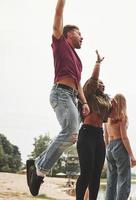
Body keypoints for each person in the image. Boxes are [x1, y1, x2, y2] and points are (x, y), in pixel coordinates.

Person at [26, 0, 89, 196]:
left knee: (72, 136)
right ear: (69, 34)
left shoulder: (78, 61)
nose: (82, 37)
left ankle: (37, 165)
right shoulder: (60, 43)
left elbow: (78, 84)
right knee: (70, 131)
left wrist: (85, 102)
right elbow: (57, 15)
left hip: (72, 97)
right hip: (60, 93)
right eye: (79, 33)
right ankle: (39, 170)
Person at [76, 50, 112, 200]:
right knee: (86, 171)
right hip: (87, 133)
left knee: (96, 174)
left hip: (99, 136)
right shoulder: (88, 94)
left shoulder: (105, 100)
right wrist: (98, 63)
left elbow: (110, 115)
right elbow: (93, 79)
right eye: (100, 83)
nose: (102, 85)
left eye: (104, 84)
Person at [104, 93, 136, 200]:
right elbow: (124, 138)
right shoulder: (122, 117)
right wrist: (132, 157)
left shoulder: (107, 117)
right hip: (119, 146)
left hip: (109, 147)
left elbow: (105, 136)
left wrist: (107, 149)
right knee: (124, 181)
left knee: (111, 181)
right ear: (123, 104)